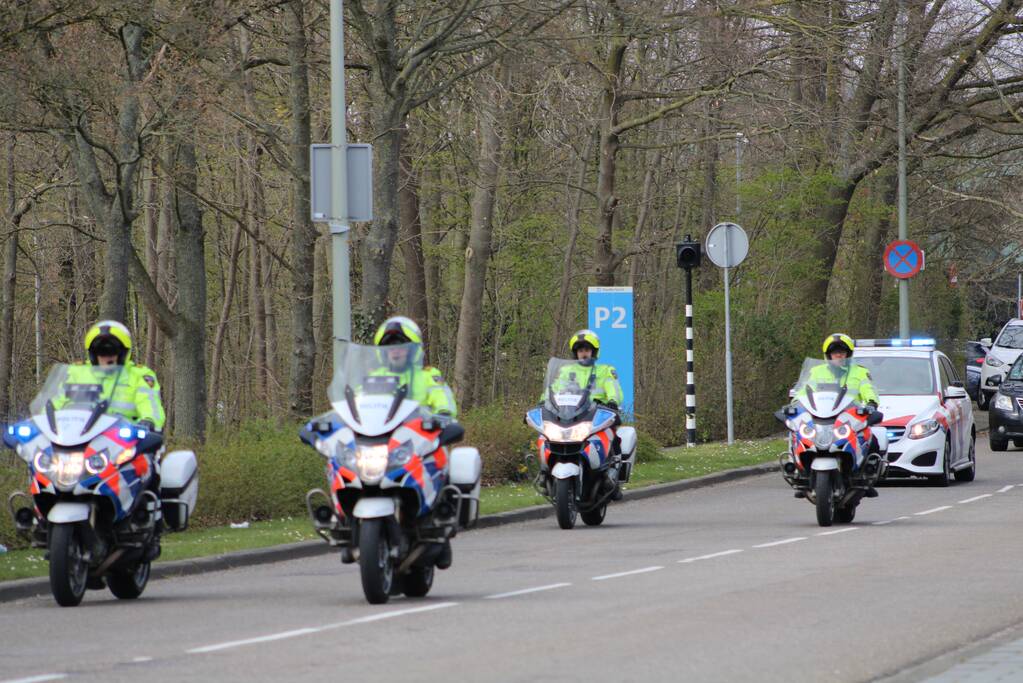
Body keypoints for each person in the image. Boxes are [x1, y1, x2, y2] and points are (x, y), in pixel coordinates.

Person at [800, 333, 882, 497]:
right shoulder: (816, 372)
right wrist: (795, 404)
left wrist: (871, 403)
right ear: (828, 354)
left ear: (848, 354)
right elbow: (804, 391)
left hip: (849, 417)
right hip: (822, 415)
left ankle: (867, 477)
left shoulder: (859, 372)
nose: (838, 355)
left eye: (842, 352)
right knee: (801, 436)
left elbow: (868, 390)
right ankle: (802, 476)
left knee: (872, 441)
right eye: (835, 352)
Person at [59, 320, 166, 431]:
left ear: (122, 353)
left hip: (124, 438)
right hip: (77, 434)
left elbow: (150, 405)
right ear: (93, 354)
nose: (107, 357)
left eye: (112, 351)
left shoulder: (139, 375)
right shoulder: (75, 372)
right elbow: (55, 402)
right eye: (101, 351)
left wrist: (149, 421)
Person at [372, 316, 457, 418]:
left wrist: (444, 413)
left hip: (420, 431)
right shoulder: (375, 377)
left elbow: (443, 399)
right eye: (390, 347)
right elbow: (357, 400)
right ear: (383, 352)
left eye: (402, 346)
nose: (396, 351)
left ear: (412, 350)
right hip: (382, 432)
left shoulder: (428, 376)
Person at [549, 329, 624, 408]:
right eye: (580, 351)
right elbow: (554, 388)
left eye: (587, 350)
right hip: (569, 413)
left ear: (593, 352)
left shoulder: (605, 371)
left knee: (615, 419)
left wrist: (613, 401)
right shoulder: (566, 371)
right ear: (576, 353)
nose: (584, 354)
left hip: (598, 413)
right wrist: (545, 400)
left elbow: (615, 391)